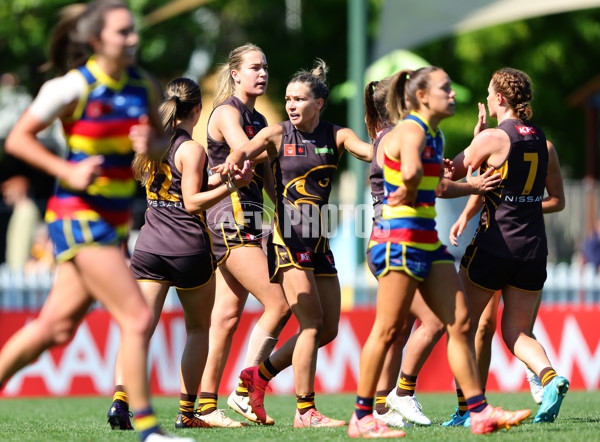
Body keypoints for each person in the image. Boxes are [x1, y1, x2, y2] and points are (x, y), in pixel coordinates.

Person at [0, 2, 191, 440]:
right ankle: (148, 431)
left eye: (133, 31)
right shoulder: (72, 86)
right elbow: (18, 139)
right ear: (95, 41)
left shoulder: (143, 85)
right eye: (123, 32)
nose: (133, 39)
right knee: (138, 317)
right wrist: (66, 170)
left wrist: (154, 142)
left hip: (113, 222)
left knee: (55, 328)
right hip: (78, 217)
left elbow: (161, 149)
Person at [347, 66, 531, 438]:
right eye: (445, 89)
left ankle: (478, 412)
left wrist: (459, 176)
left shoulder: (435, 134)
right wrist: (415, 180)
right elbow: (413, 170)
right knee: (386, 330)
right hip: (396, 241)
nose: (454, 95)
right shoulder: (411, 130)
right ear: (422, 97)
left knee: (460, 321)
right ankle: (362, 416)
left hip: (426, 240)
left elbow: (438, 182)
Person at [215, 59, 372, 428]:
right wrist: (232, 164)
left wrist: (407, 150)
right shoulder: (277, 134)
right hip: (287, 238)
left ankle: (257, 376)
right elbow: (243, 150)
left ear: (318, 103)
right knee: (312, 323)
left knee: (328, 328)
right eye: (288, 99)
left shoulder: (337, 135)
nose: (291, 105)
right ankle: (305, 412)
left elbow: (369, 153)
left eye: (299, 99)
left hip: (319, 240)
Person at [106, 77, 253, 431]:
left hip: (150, 245)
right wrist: (231, 186)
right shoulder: (192, 149)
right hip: (187, 248)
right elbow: (190, 202)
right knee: (199, 329)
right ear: (198, 110)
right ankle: (188, 413)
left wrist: (216, 179)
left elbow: (176, 189)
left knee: (138, 329)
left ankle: (120, 402)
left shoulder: (152, 144)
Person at [447, 68, 568, 425]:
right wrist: (523, 203)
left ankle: (468, 409)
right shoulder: (543, 142)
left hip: (494, 245)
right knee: (516, 331)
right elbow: (557, 200)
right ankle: (550, 377)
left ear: (499, 98)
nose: (486, 99)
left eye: (488, 93)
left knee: (462, 326)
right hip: (532, 249)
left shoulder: (495, 138)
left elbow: (448, 173)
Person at [200, 43, 291, 427]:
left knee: (225, 317)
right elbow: (244, 152)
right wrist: (279, 141)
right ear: (235, 73)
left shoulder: (255, 116)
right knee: (280, 304)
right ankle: (244, 390)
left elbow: (268, 175)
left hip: (251, 221)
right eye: (255, 67)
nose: (263, 73)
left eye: (266, 67)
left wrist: (287, 208)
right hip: (229, 220)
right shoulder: (226, 112)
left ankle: (201, 407)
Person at [1, 175, 41, 271]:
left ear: (20, 191)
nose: (6, 197)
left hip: (22, 267)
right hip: (17, 266)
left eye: (10, 193)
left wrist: (18, 266)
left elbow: (24, 241)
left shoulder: (26, 210)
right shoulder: (21, 210)